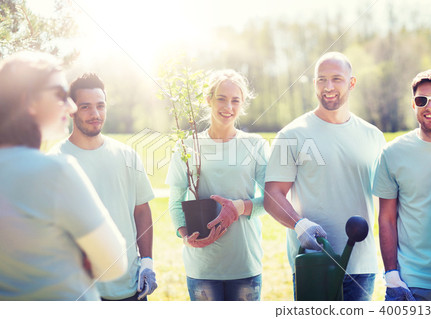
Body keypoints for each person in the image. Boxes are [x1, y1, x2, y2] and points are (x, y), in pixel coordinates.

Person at [0, 52, 127, 301]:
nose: (71, 107)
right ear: (29, 100)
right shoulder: (56, 172)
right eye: (60, 94)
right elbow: (115, 264)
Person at [264, 52, 386, 301]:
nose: (328, 87)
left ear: (351, 82)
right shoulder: (292, 135)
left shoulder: (374, 137)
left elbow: (388, 201)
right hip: (314, 264)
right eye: (321, 80)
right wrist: (300, 225)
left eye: (336, 79)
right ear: (314, 84)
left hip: (361, 267)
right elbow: (272, 195)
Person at [49, 73, 157, 301]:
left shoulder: (127, 155)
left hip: (130, 288)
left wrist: (147, 262)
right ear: (71, 110)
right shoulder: (54, 161)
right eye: (85, 107)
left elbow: (141, 210)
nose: (95, 114)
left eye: (100, 106)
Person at [166, 69, 268, 301]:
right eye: (221, 98)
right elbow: (175, 200)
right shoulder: (186, 146)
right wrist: (185, 235)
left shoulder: (256, 145)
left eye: (235, 101)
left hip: (244, 264)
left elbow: (270, 202)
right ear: (208, 99)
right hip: (202, 266)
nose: (228, 107)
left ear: (242, 104)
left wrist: (240, 207)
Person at [374, 68, 431, 301]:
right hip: (410, 284)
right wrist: (391, 274)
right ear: (413, 104)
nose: (430, 106)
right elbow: (386, 218)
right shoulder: (392, 153)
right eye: (421, 100)